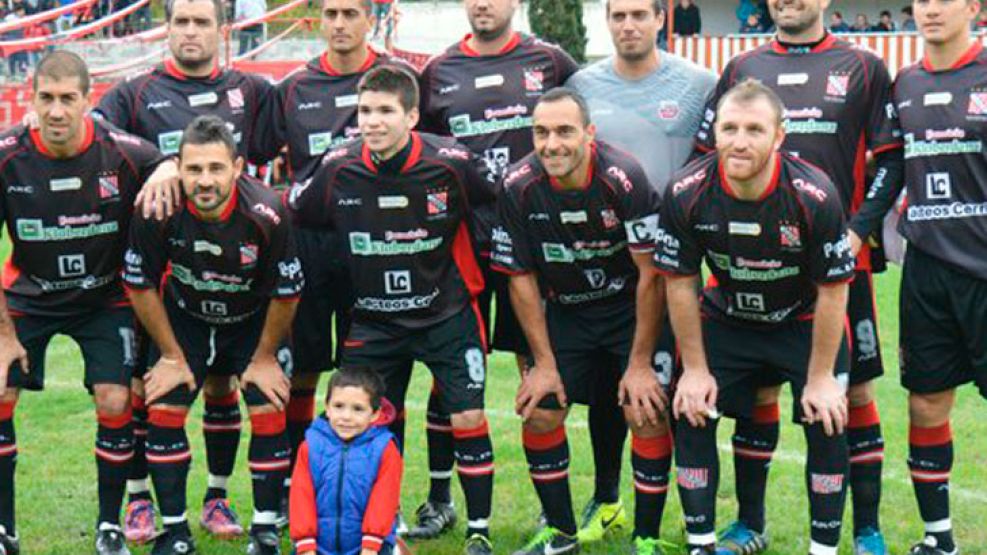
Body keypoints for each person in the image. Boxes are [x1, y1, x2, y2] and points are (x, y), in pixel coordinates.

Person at [693, 0, 904, 551]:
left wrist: (856, 231)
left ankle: (866, 529)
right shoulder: (742, 69)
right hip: (751, 268)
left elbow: (891, 158)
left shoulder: (863, 66)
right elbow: (704, 152)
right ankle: (750, 523)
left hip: (837, 266)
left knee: (851, 394)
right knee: (756, 389)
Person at [288, 64, 497, 555]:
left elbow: (497, 197)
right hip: (374, 320)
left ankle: (479, 532)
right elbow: (298, 213)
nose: (373, 121)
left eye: (385, 111)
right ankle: (386, 521)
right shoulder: (339, 164)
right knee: (375, 420)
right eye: (365, 111)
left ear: (412, 116)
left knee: (467, 416)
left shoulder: (452, 162)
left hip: (445, 313)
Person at [94, 0, 281, 542]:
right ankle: (137, 500)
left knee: (222, 384)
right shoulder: (134, 93)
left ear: (223, 31)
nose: (191, 31)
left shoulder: (253, 92)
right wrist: (161, 163)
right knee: (142, 384)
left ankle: (217, 497)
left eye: (202, 21)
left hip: (231, 264)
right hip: (155, 266)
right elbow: (92, 140)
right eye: (182, 21)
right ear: (166, 29)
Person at [660, 79, 853, 555]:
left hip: (803, 321)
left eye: (753, 129)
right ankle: (701, 543)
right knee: (692, 410)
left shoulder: (814, 194)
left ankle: (822, 549)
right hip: (728, 319)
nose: (739, 141)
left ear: (779, 136)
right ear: (715, 131)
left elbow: (833, 291)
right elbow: (680, 283)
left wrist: (823, 376)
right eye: (729, 128)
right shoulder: (686, 191)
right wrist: (697, 371)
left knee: (826, 417)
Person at [415, 0, 579, 541]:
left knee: (540, 366)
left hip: (535, 242)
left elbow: (578, 126)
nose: (483, 3)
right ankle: (439, 499)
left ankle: (550, 509)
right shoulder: (437, 71)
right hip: (459, 242)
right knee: (449, 369)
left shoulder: (551, 61)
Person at [0, 50, 166, 555]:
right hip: (30, 295)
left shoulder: (125, 152)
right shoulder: (7, 156)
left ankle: (109, 526)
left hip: (103, 298)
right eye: (45, 99)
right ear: (30, 101)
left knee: (116, 401)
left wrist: (166, 169)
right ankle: (4, 530)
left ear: (87, 101)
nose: (55, 111)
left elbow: (167, 161)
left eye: (67, 99)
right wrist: (3, 336)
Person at [491, 88, 667, 555]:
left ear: (589, 134)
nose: (552, 144)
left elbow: (653, 274)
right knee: (542, 406)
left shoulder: (622, 177)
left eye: (565, 131)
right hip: (568, 310)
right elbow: (522, 279)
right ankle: (561, 531)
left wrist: (640, 362)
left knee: (644, 409)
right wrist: (543, 363)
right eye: (541, 133)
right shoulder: (517, 185)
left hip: (631, 308)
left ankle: (646, 538)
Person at [564, 2, 713, 546]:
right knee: (609, 393)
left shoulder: (700, 82)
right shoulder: (581, 82)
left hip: (673, 265)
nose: (628, 25)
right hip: (602, 265)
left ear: (659, 20)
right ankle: (606, 500)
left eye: (638, 14)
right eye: (618, 15)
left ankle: (682, 517)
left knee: (667, 392)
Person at [123, 115, 303, 555]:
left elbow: (287, 291)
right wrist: (169, 355)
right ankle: (174, 531)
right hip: (185, 316)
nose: (205, 181)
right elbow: (139, 283)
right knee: (164, 406)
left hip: (251, 321)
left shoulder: (268, 211)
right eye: (194, 169)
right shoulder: (157, 209)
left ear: (238, 167)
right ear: (178, 168)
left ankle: (262, 530)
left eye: (216, 169)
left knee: (269, 406)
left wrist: (262, 358)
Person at [268, 0, 415, 528]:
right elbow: (252, 155)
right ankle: (297, 482)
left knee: (369, 377)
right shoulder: (291, 88)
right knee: (303, 369)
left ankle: (377, 492)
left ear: (369, 19)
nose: (339, 23)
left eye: (350, 12)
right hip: (307, 245)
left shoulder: (400, 79)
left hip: (374, 246)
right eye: (330, 12)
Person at [849, 1, 986, 553]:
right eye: (922, 1)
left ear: (974, 7)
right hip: (926, 271)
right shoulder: (902, 82)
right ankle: (939, 538)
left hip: (984, 273)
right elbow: (891, 167)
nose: (930, 9)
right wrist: (859, 228)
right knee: (927, 402)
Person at [289, 367, 403, 555]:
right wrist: (306, 545)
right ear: (327, 407)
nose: (346, 417)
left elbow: (384, 500)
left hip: (369, 547)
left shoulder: (385, 448)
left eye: (358, 409)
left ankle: (396, 548)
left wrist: (371, 546)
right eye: (338, 406)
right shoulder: (311, 446)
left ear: (375, 414)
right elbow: (301, 496)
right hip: (318, 547)